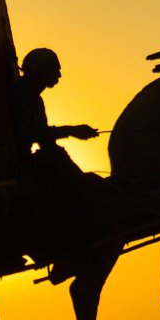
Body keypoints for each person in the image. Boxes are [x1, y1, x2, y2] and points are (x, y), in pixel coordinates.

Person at [9, 48, 100, 282]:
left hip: (24, 157)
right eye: (54, 70)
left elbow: (42, 138)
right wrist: (73, 131)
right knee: (74, 192)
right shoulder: (22, 95)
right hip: (16, 161)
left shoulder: (31, 97)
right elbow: (35, 133)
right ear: (40, 71)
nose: (58, 76)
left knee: (76, 178)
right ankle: (68, 255)